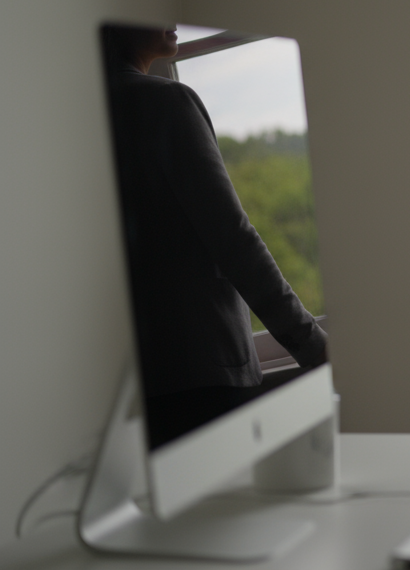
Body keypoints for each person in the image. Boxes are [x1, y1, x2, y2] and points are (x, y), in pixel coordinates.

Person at [102, 24, 329, 448]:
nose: (170, 19)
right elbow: (232, 238)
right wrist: (311, 344)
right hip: (204, 373)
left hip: (132, 388)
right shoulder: (165, 101)